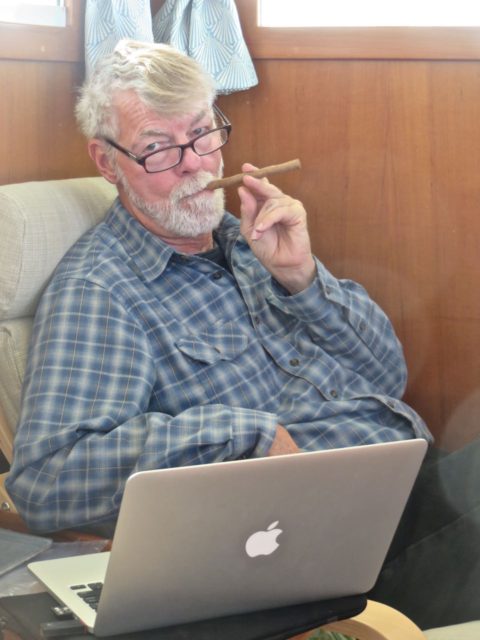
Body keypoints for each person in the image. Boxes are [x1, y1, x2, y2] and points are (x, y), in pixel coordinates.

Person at [5, 40, 479, 629]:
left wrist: (301, 277)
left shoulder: (246, 237)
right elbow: (48, 479)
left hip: (401, 486)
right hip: (321, 552)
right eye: (159, 148)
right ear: (107, 162)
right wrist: (246, 433)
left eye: (204, 134)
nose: (196, 165)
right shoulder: (102, 291)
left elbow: (387, 376)